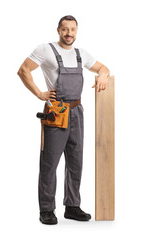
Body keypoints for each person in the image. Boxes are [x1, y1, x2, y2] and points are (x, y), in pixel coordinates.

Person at [17, 15, 110, 225]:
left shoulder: (81, 54)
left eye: (73, 30)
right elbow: (23, 70)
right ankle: (47, 210)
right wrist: (39, 93)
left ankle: (72, 206)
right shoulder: (45, 50)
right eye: (65, 29)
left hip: (77, 111)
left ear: (77, 31)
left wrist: (103, 75)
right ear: (58, 30)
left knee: (76, 162)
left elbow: (103, 68)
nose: (69, 34)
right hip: (55, 112)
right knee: (49, 163)